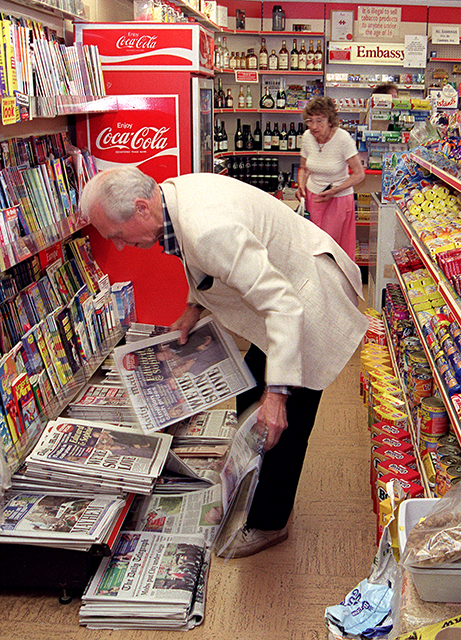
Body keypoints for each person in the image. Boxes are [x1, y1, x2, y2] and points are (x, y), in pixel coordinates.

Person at [80, 167, 369, 558]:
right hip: (285, 292)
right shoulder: (172, 198)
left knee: (283, 420)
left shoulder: (205, 227)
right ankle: (249, 480)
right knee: (251, 385)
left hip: (306, 297)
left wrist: (279, 395)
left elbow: (283, 306)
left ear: (140, 207)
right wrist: (193, 307)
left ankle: (270, 522)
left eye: (115, 234)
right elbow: (202, 263)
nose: (117, 246)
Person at [295, 96, 365, 261]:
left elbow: (359, 174)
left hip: (338, 202)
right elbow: (304, 168)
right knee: (312, 248)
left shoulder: (343, 139)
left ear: (330, 121)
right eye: (310, 121)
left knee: (335, 252)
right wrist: (301, 186)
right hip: (313, 200)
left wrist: (336, 190)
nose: (314, 126)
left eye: (319, 121)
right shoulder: (307, 137)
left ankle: (337, 285)